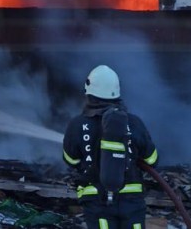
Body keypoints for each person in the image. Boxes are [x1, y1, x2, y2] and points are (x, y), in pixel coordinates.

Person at [62, 65, 158, 229]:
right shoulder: (134, 122)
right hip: (131, 201)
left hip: (96, 200)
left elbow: (71, 159)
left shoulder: (77, 124)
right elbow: (152, 159)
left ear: (89, 92)